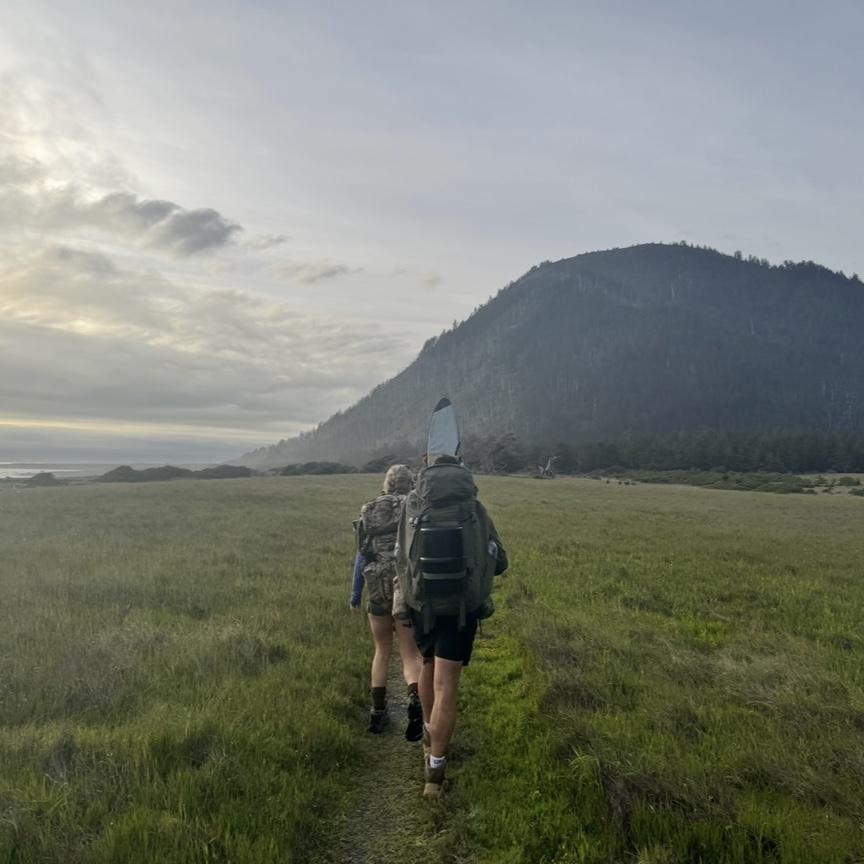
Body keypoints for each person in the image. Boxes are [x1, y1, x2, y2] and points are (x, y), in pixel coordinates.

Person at [395, 454, 508, 797]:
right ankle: (436, 769)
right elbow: (500, 560)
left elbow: (401, 558)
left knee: (427, 665)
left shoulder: (412, 506)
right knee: (448, 684)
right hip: (461, 609)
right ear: (462, 474)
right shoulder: (474, 508)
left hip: (423, 606)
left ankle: (429, 737)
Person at [351, 464, 424, 740]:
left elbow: (362, 556)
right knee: (410, 653)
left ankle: (378, 714)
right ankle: (415, 703)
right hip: (406, 586)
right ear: (410, 484)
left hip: (377, 585)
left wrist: (355, 595)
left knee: (381, 650)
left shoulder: (368, 509)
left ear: (387, 483)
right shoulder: (416, 508)